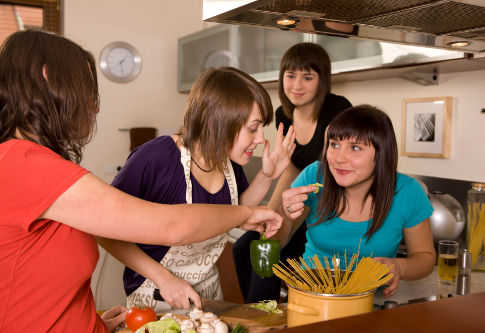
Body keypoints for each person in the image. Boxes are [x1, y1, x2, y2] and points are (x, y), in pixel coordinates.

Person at [0, 30, 282, 333]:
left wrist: (91, 322)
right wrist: (248, 214)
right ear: (48, 78)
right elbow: (171, 226)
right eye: (86, 90)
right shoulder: (26, 164)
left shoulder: (35, 163)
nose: (94, 107)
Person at [98, 66, 295, 313]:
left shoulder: (228, 161)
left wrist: (267, 176)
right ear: (220, 121)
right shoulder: (157, 157)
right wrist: (164, 278)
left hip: (209, 293)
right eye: (253, 128)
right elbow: (105, 229)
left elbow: (234, 211)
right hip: (157, 294)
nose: (259, 139)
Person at [233, 42, 352, 302]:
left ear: (322, 81)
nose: (297, 85)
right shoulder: (283, 115)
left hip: (329, 208)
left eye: (307, 77)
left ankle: (264, 322)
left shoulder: (338, 110)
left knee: (271, 250)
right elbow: (293, 167)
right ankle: (257, 315)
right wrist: (270, 214)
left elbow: (328, 174)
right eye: (290, 75)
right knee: (245, 247)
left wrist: (283, 221)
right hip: (299, 200)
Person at [281, 105, 436, 297]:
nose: (338, 159)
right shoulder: (314, 176)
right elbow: (276, 242)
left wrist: (399, 267)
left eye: (355, 148)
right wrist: (284, 216)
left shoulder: (408, 191)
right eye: (334, 144)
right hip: (312, 295)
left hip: (372, 301)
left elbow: (425, 258)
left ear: (381, 155)